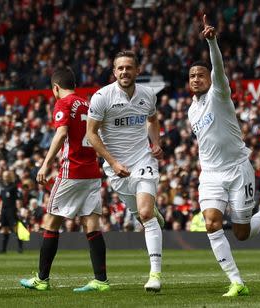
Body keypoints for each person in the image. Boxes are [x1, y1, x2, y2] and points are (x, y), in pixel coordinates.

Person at [187, 15, 260, 297]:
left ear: (209, 79)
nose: (196, 79)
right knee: (212, 223)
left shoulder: (219, 94)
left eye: (200, 75)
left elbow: (218, 68)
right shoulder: (191, 111)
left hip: (238, 169)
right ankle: (236, 281)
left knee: (241, 232)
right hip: (212, 175)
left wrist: (212, 42)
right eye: (192, 76)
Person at [20, 67, 109, 292]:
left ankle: (42, 279)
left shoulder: (63, 103)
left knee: (51, 222)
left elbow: (61, 134)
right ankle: (101, 280)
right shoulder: (87, 104)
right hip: (91, 171)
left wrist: (45, 164)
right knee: (92, 224)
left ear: (55, 88)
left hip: (72, 170)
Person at [86, 50, 164, 292]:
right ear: (114, 72)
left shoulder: (148, 94)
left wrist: (156, 142)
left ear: (137, 71)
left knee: (145, 214)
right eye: (120, 68)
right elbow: (91, 133)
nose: (124, 72)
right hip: (117, 169)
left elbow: (152, 119)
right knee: (143, 216)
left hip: (143, 160)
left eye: (129, 67)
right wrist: (112, 161)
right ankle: (152, 212)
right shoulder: (101, 97)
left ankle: (155, 275)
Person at [0, 170, 23, 254]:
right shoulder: (2, 187)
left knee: (15, 228)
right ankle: (3, 249)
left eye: (6, 176)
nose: (5, 177)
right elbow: (2, 200)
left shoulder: (13, 187)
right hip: (4, 210)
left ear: (9, 177)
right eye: (4, 176)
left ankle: (20, 248)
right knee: (4, 228)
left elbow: (17, 199)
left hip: (11, 210)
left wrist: (18, 210)